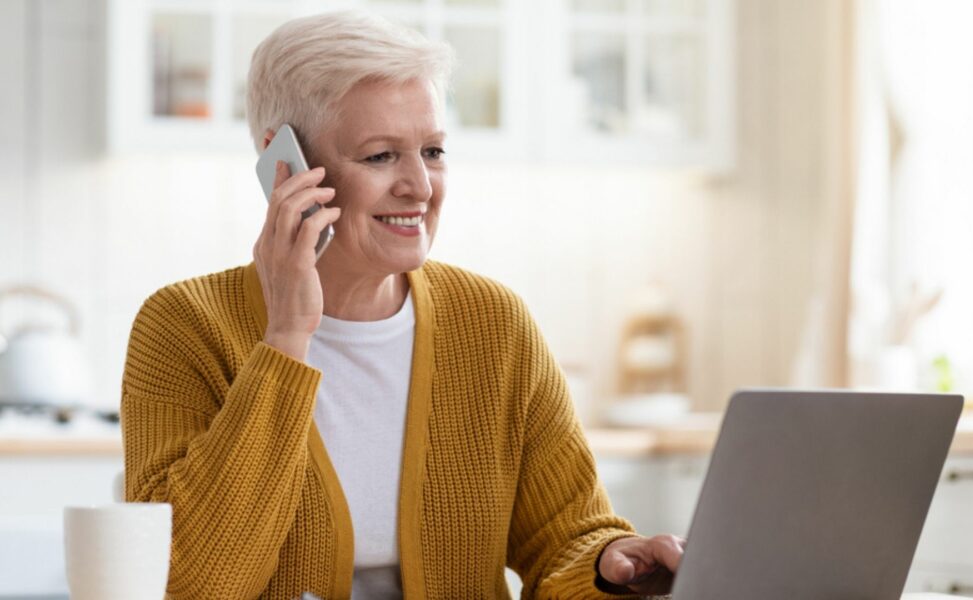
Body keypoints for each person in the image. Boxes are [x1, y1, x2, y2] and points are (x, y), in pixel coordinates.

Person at [121, 10, 683, 599]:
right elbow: (184, 581)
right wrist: (287, 335)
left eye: (433, 150)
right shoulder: (183, 325)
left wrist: (611, 564)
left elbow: (569, 539)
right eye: (380, 156)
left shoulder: (494, 322)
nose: (420, 185)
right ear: (283, 165)